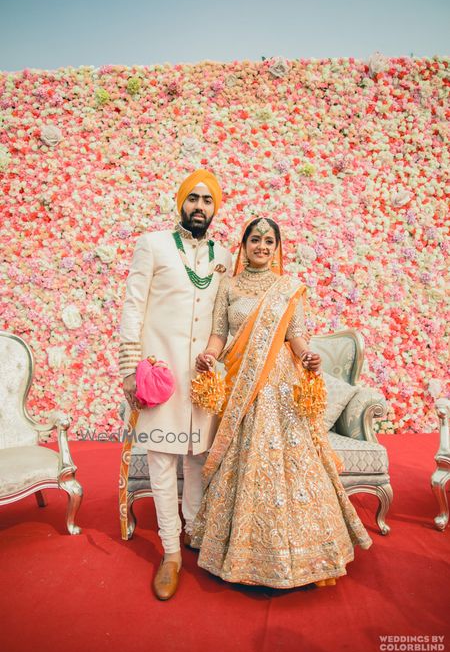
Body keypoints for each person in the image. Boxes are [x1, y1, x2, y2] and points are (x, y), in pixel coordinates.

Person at [191, 216, 372, 588]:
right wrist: (208, 355)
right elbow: (218, 334)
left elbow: (297, 336)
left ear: (277, 247)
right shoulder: (229, 285)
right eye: (255, 239)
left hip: (281, 388)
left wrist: (308, 356)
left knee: (295, 464)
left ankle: (308, 550)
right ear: (244, 245)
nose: (262, 246)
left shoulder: (287, 288)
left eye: (268, 241)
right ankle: (239, 551)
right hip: (243, 386)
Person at [119, 169, 232, 600]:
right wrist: (130, 370)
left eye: (207, 200)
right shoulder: (153, 244)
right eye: (193, 199)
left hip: (204, 378)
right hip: (160, 374)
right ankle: (170, 554)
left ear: (214, 208)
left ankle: (195, 535)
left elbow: (227, 313)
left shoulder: (224, 254)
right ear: (180, 202)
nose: (200, 206)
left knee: (198, 461)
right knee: (165, 462)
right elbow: (133, 307)